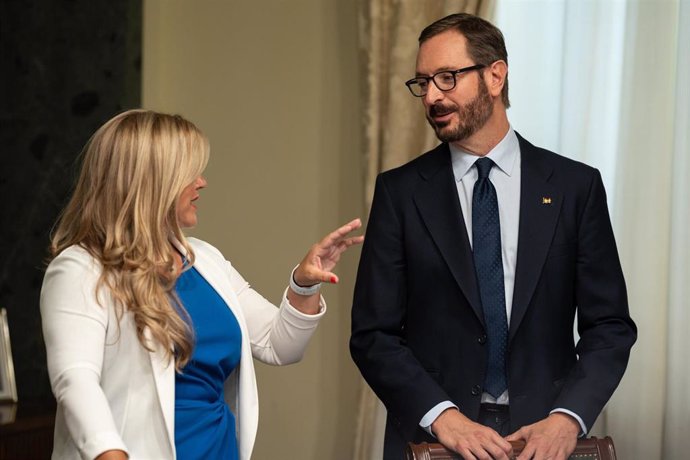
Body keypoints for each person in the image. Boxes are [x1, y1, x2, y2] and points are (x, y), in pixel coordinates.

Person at [350, 13, 636, 460]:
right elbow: (373, 336)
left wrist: (568, 418)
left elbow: (610, 327)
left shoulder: (574, 187)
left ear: (495, 75)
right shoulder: (399, 192)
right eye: (423, 83)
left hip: (544, 439)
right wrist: (442, 415)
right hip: (435, 440)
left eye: (447, 77)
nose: (432, 97)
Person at [40, 109, 363, 460]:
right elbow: (75, 381)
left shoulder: (205, 260)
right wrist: (109, 453)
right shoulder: (79, 268)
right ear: (152, 181)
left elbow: (279, 345)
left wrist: (303, 284)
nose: (202, 182)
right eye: (189, 172)